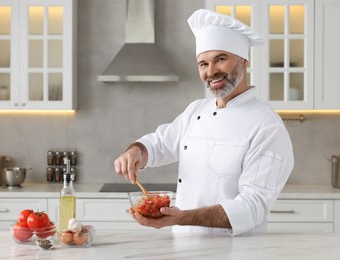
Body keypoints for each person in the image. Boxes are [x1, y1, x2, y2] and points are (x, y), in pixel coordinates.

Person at [113, 9, 294, 236]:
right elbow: (161, 143)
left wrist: (183, 218)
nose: (211, 71)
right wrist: (136, 151)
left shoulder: (267, 127)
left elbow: (252, 207)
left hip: (234, 252)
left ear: (243, 61)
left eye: (220, 59)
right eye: (203, 64)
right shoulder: (197, 110)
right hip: (184, 248)